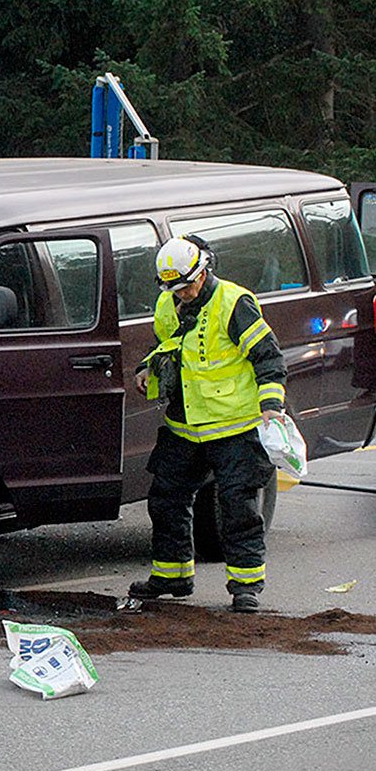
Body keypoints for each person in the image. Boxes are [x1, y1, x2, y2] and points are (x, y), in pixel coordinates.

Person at [131, 236, 286, 612]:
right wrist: (146, 367)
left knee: (238, 508)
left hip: (233, 428)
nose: (182, 293)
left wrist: (271, 406)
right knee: (166, 500)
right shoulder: (168, 302)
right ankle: (173, 576)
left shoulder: (234, 303)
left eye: (187, 285)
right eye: (174, 288)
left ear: (204, 271)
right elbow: (167, 345)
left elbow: (269, 358)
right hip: (184, 427)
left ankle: (246, 587)